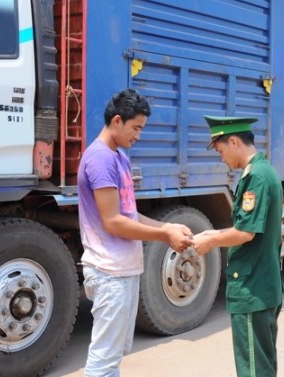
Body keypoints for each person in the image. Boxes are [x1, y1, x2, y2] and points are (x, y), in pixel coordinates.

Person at [77, 88, 194, 377]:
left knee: (116, 354)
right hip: (108, 272)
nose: (138, 135)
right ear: (117, 121)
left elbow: (129, 214)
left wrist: (166, 226)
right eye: (136, 128)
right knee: (103, 361)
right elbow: (113, 222)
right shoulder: (100, 159)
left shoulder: (119, 158)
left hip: (124, 270)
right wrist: (165, 236)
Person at [193, 115, 284, 377]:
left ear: (234, 142)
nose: (221, 158)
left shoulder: (256, 177)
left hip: (252, 288)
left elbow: (245, 232)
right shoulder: (263, 171)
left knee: (253, 369)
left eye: (221, 151)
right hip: (262, 284)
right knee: (262, 365)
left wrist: (210, 239)